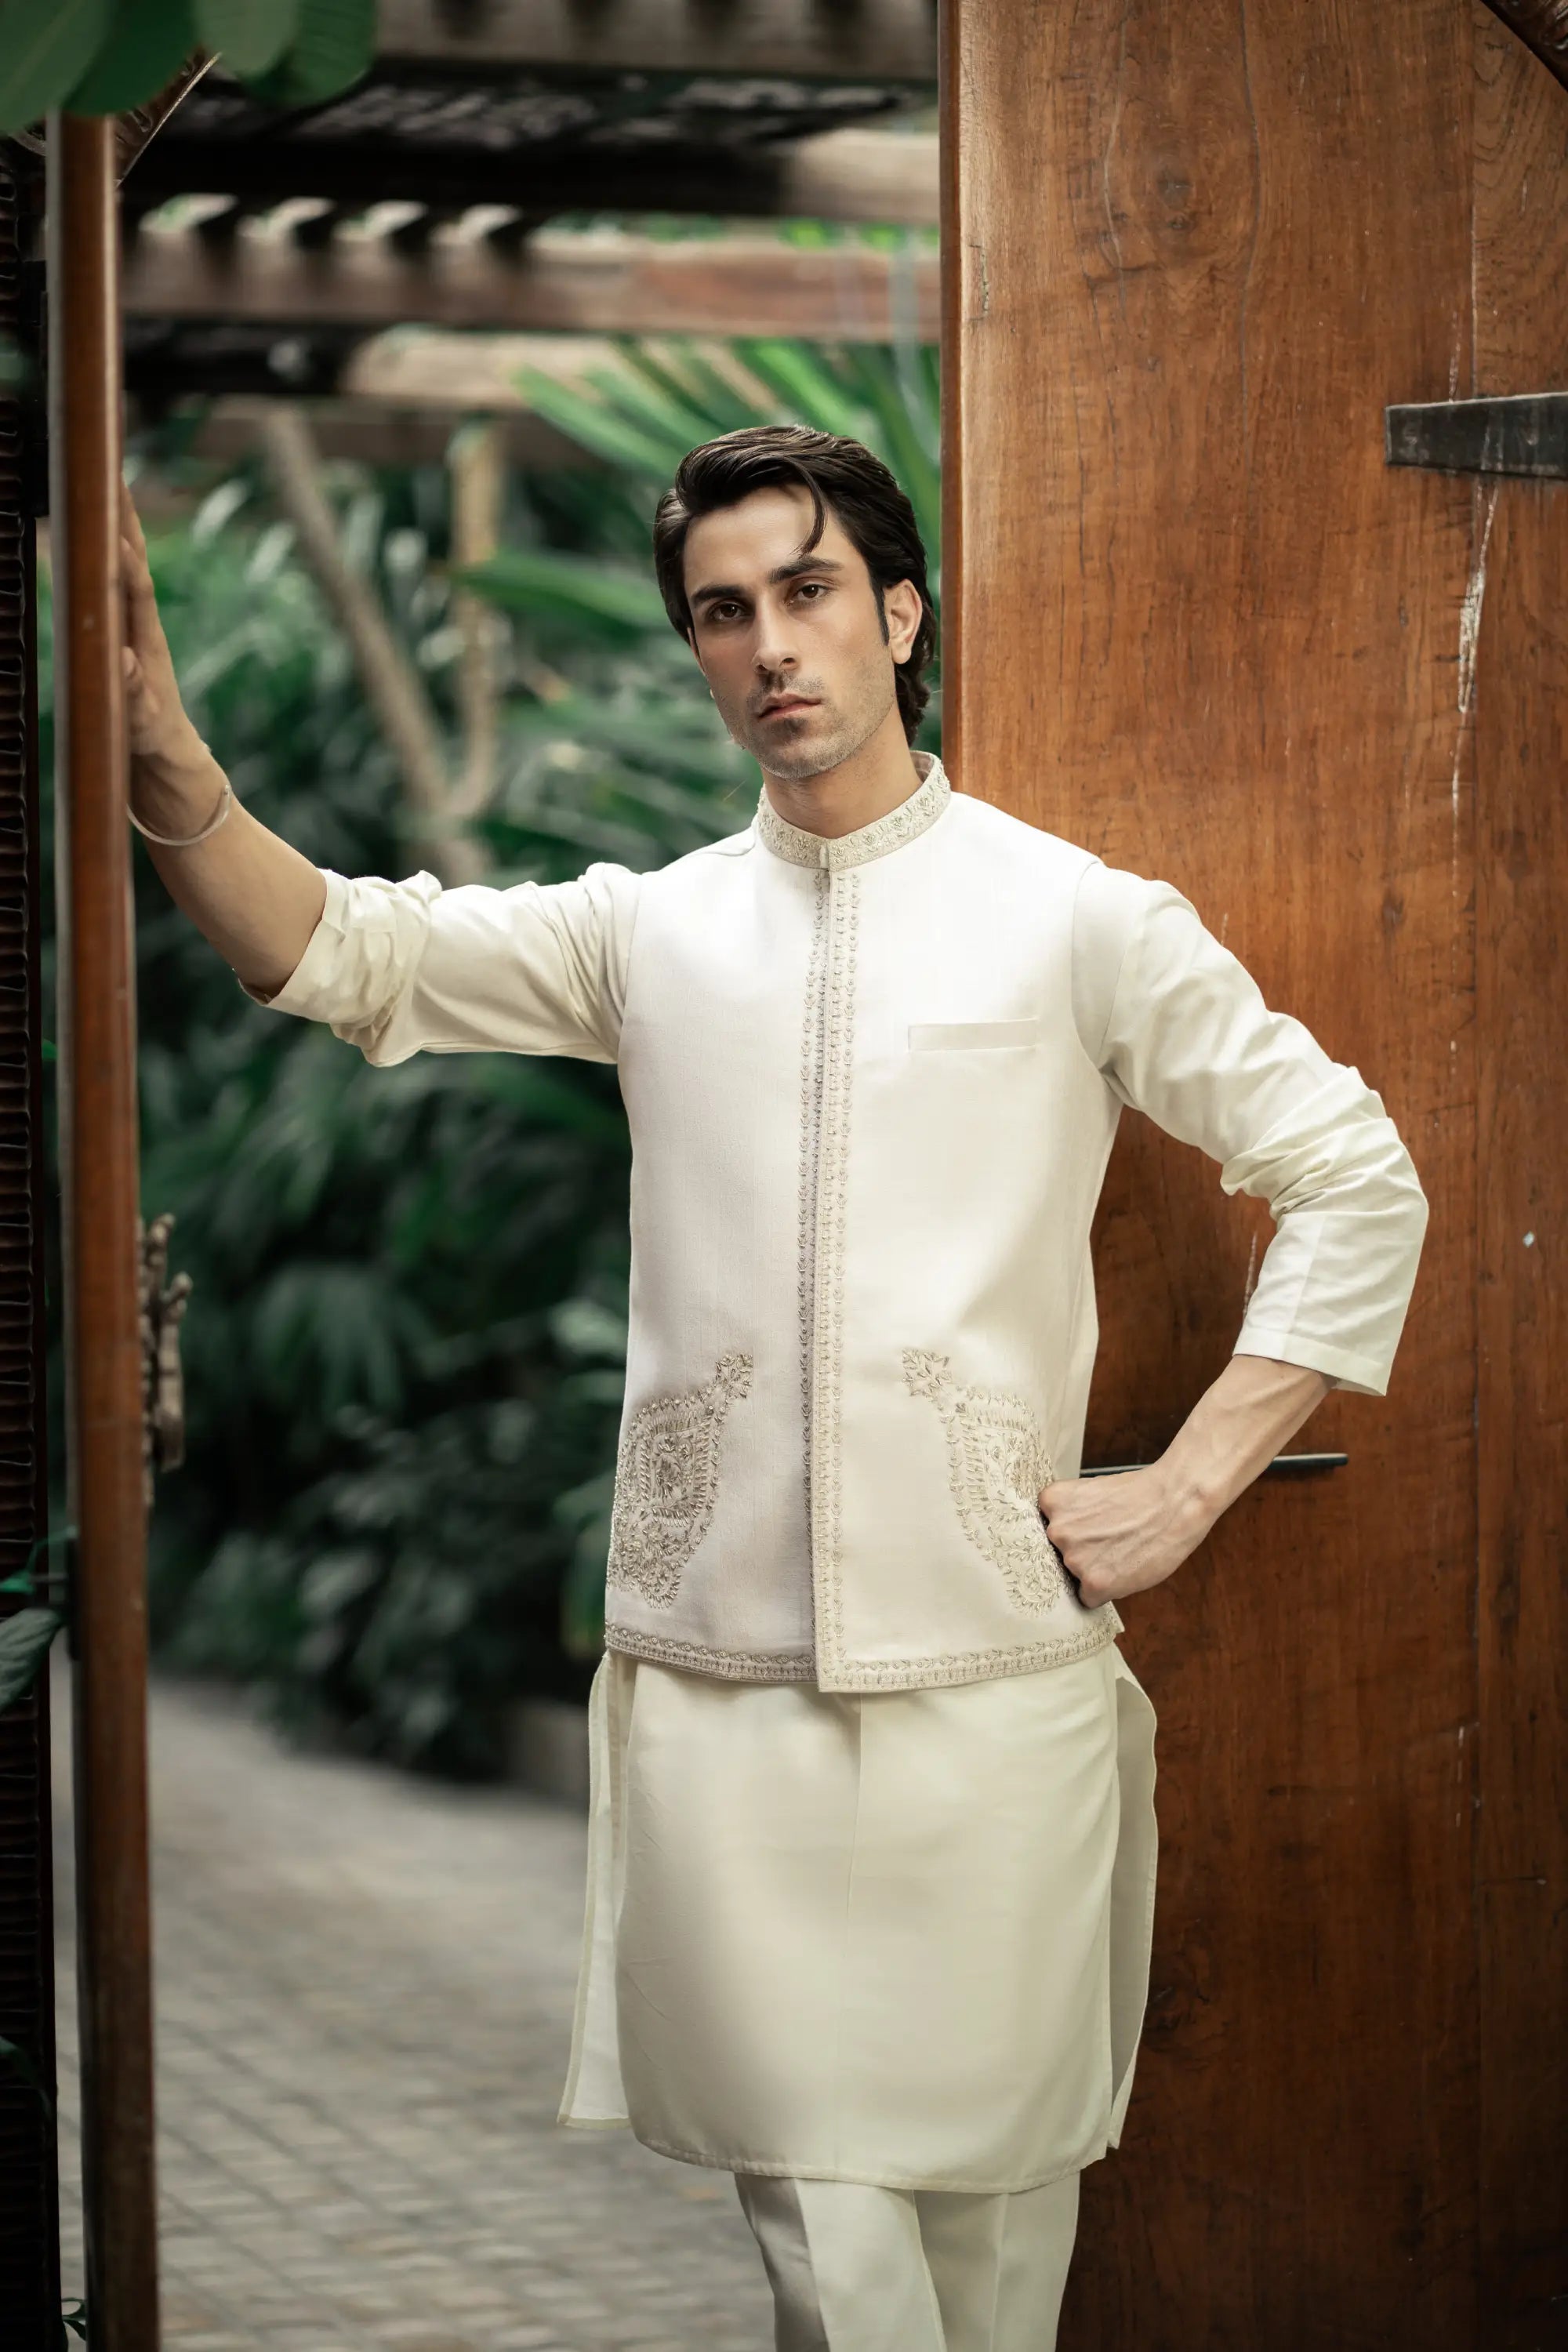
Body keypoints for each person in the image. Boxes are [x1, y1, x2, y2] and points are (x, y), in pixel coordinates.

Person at [118, 427, 1428, 2350]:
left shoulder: (1077, 918)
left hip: (1000, 1699)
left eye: (806, 591)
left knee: (997, 2250)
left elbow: (1351, 1166)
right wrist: (170, 774)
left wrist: (1187, 1486)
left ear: (896, 615)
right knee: (834, 2247)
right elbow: (338, 947)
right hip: (727, 1710)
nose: (770, 646)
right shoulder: (647, 935)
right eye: (722, 612)